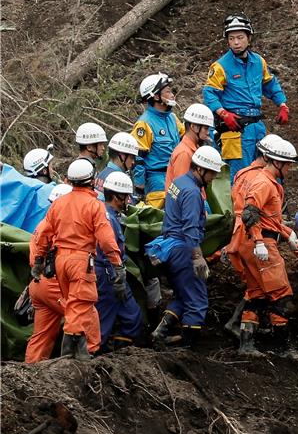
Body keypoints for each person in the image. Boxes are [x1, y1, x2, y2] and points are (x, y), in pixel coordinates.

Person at [32, 159, 124, 360]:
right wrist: (117, 265)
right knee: (79, 305)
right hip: (81, 262)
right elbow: (106, 239)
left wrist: (39, 259)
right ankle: (69, 357)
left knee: (81, 307)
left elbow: (44, 233)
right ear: (91, 179)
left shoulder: (59, 203)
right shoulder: (94, 205)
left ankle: (86, 352)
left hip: (60, 262)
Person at [232, 138, 298, 358]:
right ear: (278, 162)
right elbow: (249, 213)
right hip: (260, 243)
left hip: (251, 241)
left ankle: (246, 345)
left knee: (256, 294)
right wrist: (260, 241)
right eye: (288, 164)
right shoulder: (264, 183)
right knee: (281, 293)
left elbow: (266, 217)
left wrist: (286, 232)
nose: (290, 168)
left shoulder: (266, 181)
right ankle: (284, 347)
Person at [148, 146, 222, 348]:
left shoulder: (179, 183)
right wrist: (197, 256)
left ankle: (160, 332)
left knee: (182, 293)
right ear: (200, 169)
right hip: (183, 250)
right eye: (212, 172)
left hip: (170, 247)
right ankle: (187, 348)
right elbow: (190, 227)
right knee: (197, 299)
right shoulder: (191, 192)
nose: (214, 177)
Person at [204, 13, 289, 181]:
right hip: (235, 127)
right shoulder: (220, 66)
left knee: (265, 170)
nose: (236, 42)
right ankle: (238, 207)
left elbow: (270, 84)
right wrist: (223, 113)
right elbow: (209, 93)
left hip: (257, 125)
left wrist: (282, 104)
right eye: (232, 38)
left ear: (249, 38)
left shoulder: (258, 62)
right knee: (239, 176)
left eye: (240, 38)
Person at [223, 134, 281, 336]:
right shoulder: (261, 179)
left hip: (236, 235)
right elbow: (253, 212)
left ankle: (244, 328)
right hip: (250, 234)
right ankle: (241, 325)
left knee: (254, 285)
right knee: (263, 286)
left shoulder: (241, 173)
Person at [24, 184, 72, 363]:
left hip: (38, 286)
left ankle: (29, 374)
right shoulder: (58, 228)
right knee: (84, 317)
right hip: (54, 285)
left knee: (42, 336)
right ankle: (87, 365)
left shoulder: (42, 225)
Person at [95, 172, 142, 351]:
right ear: (116, 197)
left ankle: (120, 355)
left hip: (113, 275)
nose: (128, 201)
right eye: (126, 197)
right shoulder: (107, 219)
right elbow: (107, 249)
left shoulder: (107, 215)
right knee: (103, 321)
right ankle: (95, 357)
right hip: (109, 276)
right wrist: (117, 276)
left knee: (132, 315)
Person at [132, 72, 184, 208]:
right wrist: (139, 188)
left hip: (178, 175)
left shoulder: (172, 118)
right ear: (155, 96)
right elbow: (138, 160)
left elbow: (188, 139)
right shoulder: (144, 124)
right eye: (167, 91)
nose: (172, 94)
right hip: (157, 180)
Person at [164, 103, 214, 191]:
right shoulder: (185, 154)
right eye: (206, 128)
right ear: (194, 127)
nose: (208, 133)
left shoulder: (192, 149)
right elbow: (183, 190)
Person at [95, 132, 139, 197]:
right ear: (122, 156)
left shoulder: (102, 174)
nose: (133, 162)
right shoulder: (119, 179)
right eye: (132, 158)